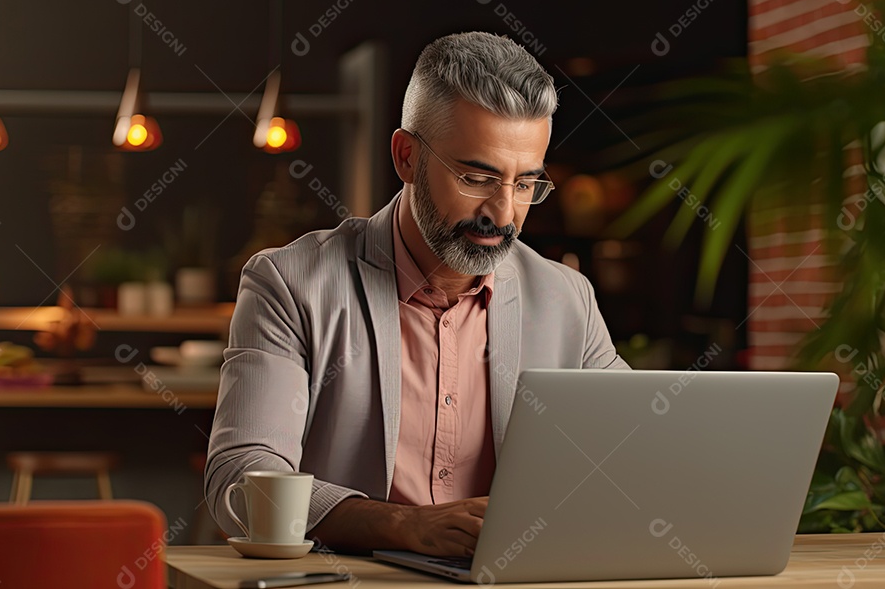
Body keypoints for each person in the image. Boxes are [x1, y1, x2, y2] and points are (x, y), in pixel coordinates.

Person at [206, 31, 628, 557]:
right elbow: (241, 481)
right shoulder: (291, 284)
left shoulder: (567, 300)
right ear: (406, 157)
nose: (501, 214)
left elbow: (635, 459)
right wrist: (402, 525)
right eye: (477, 177)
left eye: (525, 185)